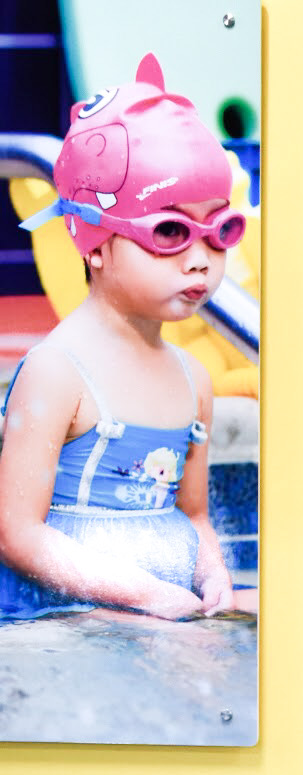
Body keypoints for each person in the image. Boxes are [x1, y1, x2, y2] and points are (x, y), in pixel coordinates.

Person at [0, 54, 245, 622]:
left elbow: (196, 516)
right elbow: (17, 532)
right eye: (170, 232)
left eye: (219, 231)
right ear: (94, 241)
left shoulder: (194, 380)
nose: (200, 262)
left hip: (165, 611)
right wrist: (143, 594)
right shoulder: (57, 371)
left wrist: (213, 575)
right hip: (67, 619)